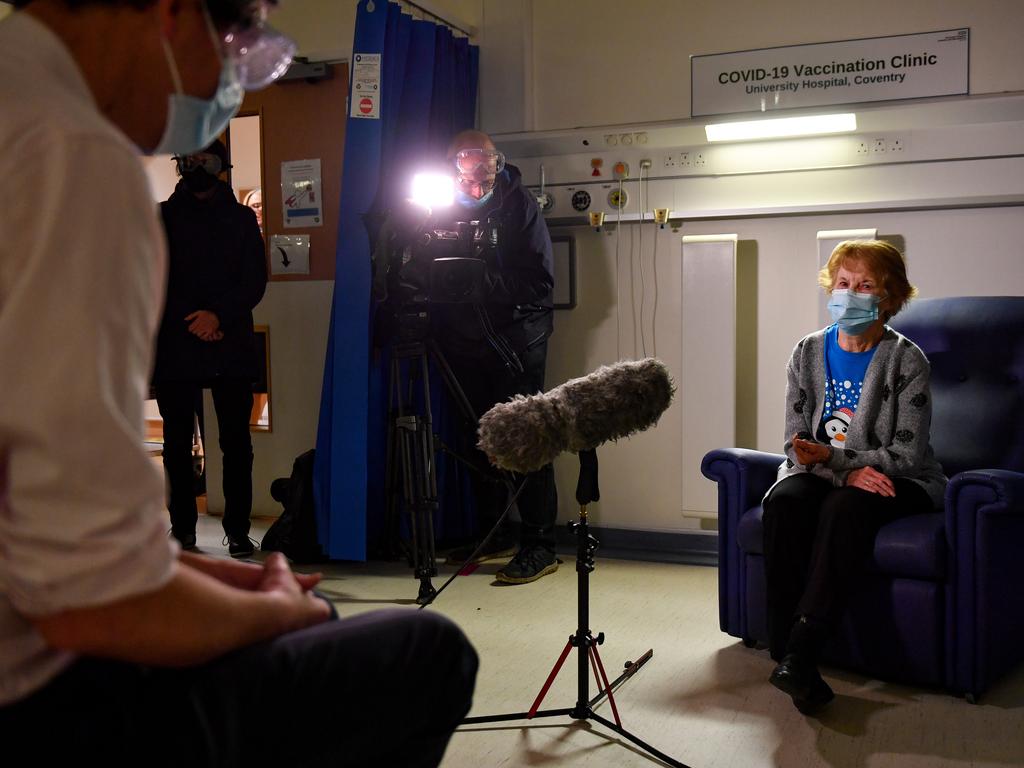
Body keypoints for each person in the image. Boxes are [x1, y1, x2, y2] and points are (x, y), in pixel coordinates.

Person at [0, 1, 477, 764]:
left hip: (214, 357)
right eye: (238, 37)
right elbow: (92, 604)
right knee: (423, 652)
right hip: (38, 698)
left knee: (232, 458)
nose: (230, 75)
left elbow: (39, 532)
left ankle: (215, 550)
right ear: (168, 13)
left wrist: (223, 581)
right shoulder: (71, 153)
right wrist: (279, 613)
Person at [762, 239, 947, 713]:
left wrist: (841, 468)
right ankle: (785, 654)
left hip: (901, 481)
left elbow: (905, 455)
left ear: (888, 298)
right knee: (783, 501)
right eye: (843, 284)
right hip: (827, 471)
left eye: (866, 285)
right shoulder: (805, 352)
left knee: (845, 505)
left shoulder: (908, 360)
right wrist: (843, 469)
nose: (851, 293)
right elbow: (794, 444)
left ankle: (802, 652)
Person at [434, 130, 560, 585]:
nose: (478, 172)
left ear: (497, 165)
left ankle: (540, 543)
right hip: (462, 342)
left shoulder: (519, 207)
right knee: (479, 439)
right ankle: (495, 533)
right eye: (468, 163)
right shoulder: (439, 207)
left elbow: (540, 285)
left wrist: (480, 284)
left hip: (516, 342)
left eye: (487, 163)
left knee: (525, 437)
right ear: (452, 167)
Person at [153, 138, 267, 558]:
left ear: (221, 165)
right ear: (180, 164)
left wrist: (217, 316)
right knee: (176, 444)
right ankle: (181, 528)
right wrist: (196, 321)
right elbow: (153, 277)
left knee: (237, 443)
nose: (197, 167)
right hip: (177, 342)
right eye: (190, 159)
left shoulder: (240, 220)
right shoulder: (162, 218)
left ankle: (237, 530)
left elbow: (254, 280)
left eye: (206, 160)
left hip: (229, 340)